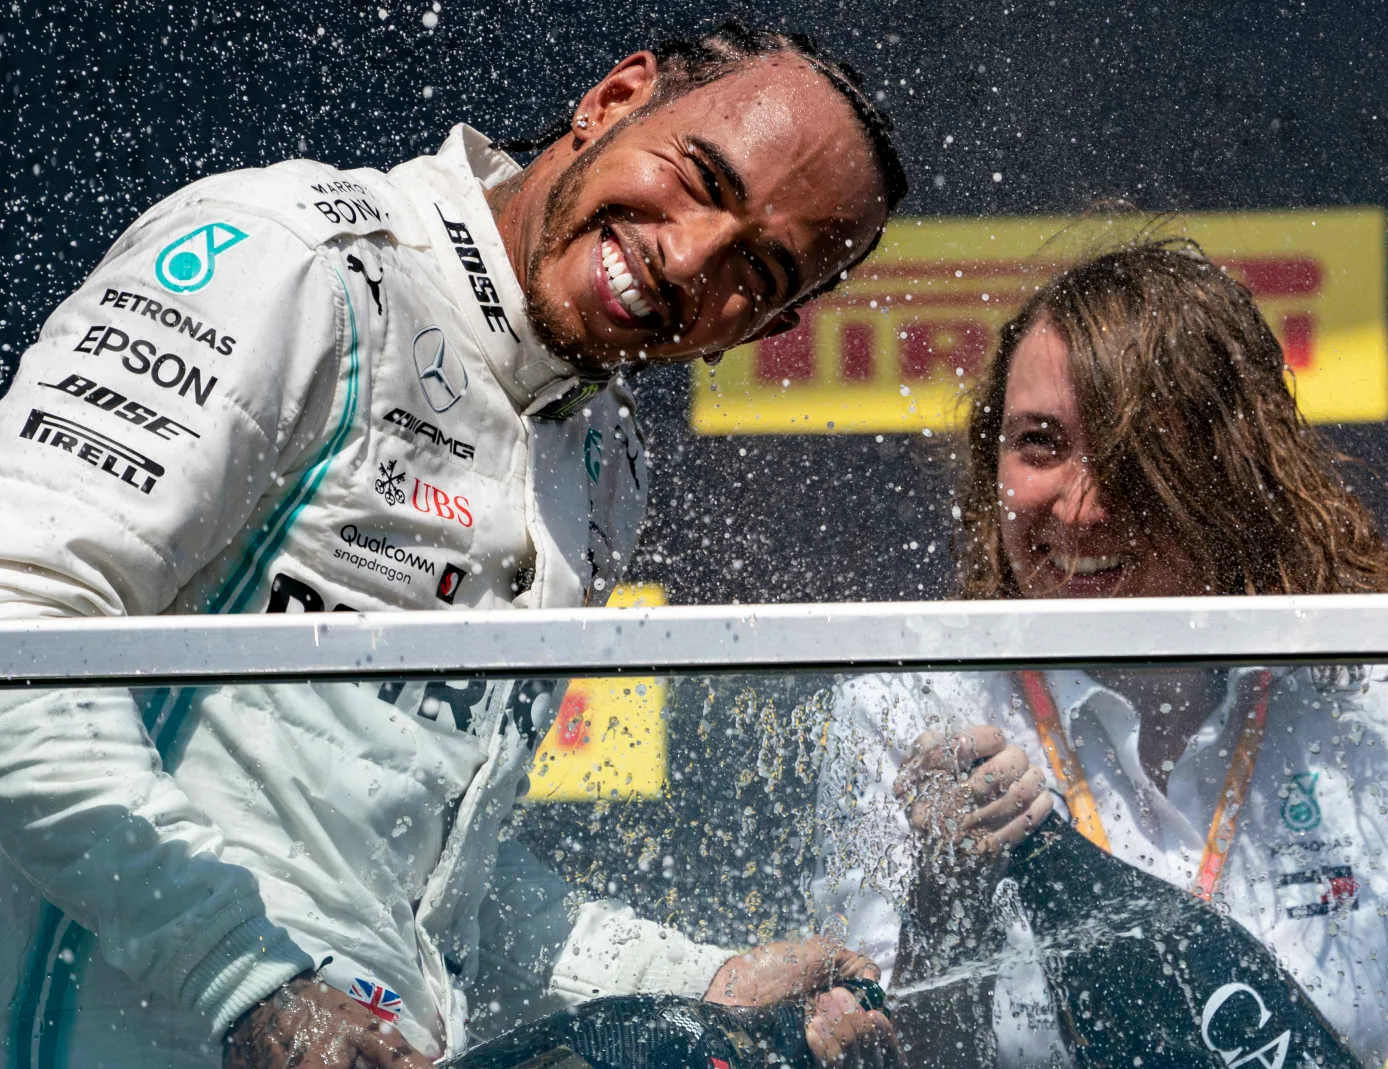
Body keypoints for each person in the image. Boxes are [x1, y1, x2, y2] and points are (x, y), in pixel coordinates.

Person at [0, 21, 906, 1069]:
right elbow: (20, 639)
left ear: (755, 334)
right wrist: (247, 983)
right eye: (698, 176)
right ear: (613, 99)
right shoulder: (301, 261)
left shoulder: (602, 463)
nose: (687, 256)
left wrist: (699, 977)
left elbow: (413, 874)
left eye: (760, 267)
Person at [810, 240, 1388, 1067]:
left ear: (1228, 473)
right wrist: (951, 890)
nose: (1081, 507)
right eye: (1041, 443)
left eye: (1133, 455)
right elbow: (888, 1053)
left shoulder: (1384, 704)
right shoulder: (916, 714)